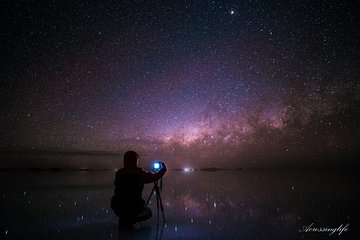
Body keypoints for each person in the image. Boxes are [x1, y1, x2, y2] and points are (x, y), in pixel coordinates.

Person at [111, 151, 167, 230]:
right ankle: (129, 221)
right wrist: (163, 169)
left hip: (117, 205)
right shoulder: (138, 173)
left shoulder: (119, 173)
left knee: (127, 209)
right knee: (148, 212)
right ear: (135, 160)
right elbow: (154, 177)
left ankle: (125, 220)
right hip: (132, 206)